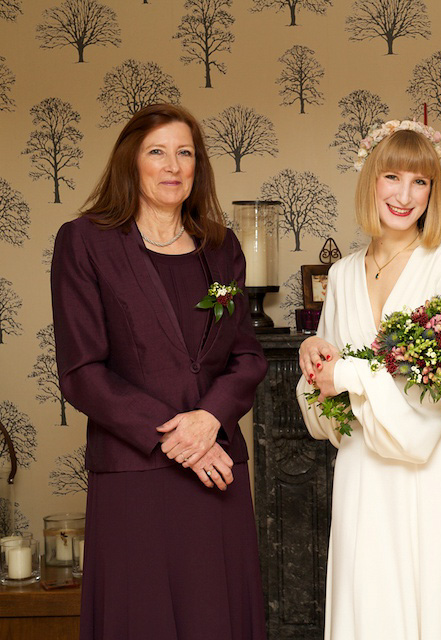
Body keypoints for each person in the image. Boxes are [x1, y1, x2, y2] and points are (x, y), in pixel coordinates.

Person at [51, 104, 268, 639]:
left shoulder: (223, 248)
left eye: (185, 153)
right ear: (131, 161)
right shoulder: (84, 242)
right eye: (157, 152)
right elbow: (82, 370)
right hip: (134, 473)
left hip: (217, 473)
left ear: (198, 166)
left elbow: (247, 357)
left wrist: (208, 421)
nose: (173, 166)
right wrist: (180, 434)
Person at [296, 122, 441, 640]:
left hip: (434, 471)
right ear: (371, 180)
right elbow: (325, 386)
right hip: (364, 471)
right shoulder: (342, 275)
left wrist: (346, 373)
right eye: (392, 176)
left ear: (433, 192)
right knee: (372, 609)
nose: (405, 194)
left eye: (421, 182)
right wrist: (312, 355)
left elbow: (435, 387)